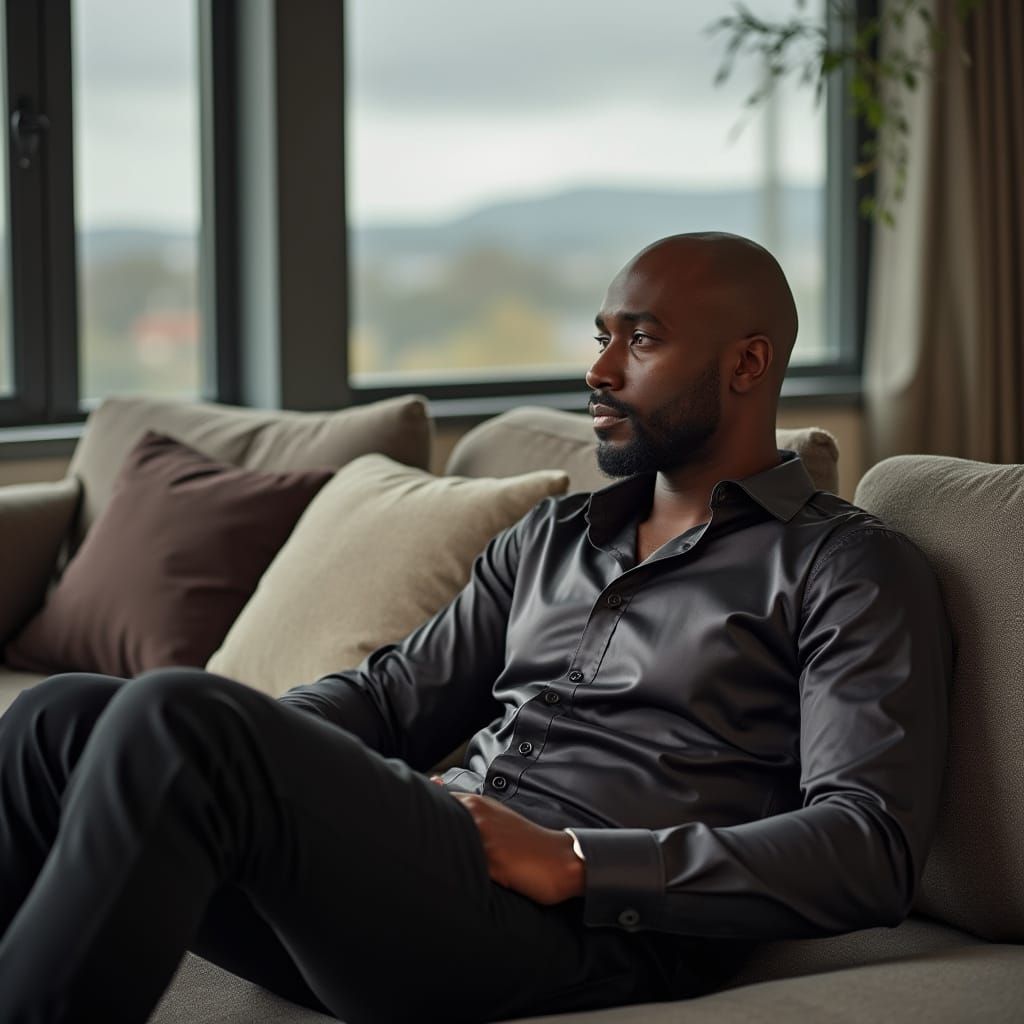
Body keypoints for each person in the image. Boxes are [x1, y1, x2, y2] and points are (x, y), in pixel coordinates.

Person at [0, 233, 952, 1024]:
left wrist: (578, 864)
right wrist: (269, 753)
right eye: (602, 337)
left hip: (579, 936)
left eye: (642, 341)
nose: (599, 371)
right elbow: (388, 702)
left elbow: (868, 845)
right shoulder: (552, 537)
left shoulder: (847, 566)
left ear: (747, 363)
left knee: (175, 719)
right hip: (418, 890)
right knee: (60, 719)